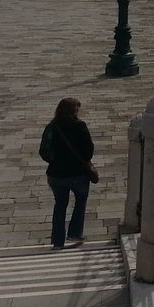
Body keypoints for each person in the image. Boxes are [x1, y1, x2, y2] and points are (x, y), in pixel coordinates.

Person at [39, 97, 95, 249]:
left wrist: (56, 160)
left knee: (60, 205)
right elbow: (88, 151)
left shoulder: (52, 127)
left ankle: (58, 241)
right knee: (80, 202)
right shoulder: (80, 126)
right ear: (74, 111)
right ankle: (74, 234)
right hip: (78, 173)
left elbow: (44, 151)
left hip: (56, 174)